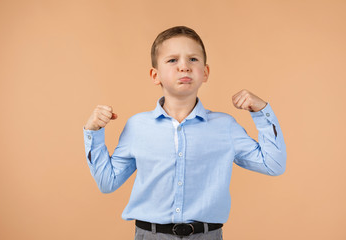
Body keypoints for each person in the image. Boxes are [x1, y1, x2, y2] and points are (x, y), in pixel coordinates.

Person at [83, 26, 286, 240]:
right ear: (155, 75)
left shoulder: (225, 127)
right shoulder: (137, 126)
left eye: (193, 59)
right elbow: (107, 182)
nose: (184, 67)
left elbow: (273, 164)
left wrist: (262, 112)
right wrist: (93, 133)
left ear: (205, 72)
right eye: (172, 60)